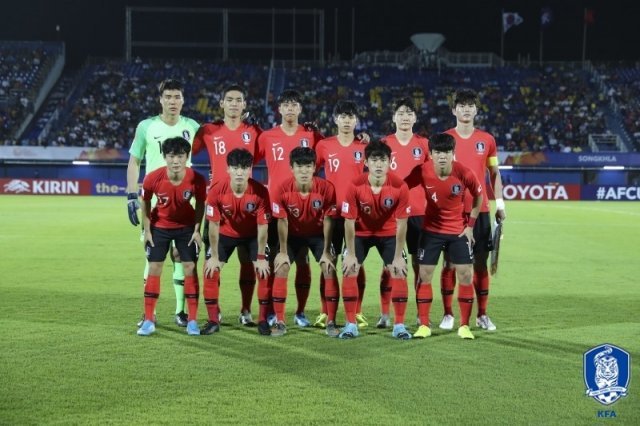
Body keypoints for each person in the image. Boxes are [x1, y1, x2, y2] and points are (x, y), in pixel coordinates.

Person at [126, 79, 200, 327]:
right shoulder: (146, 126)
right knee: (153, 259)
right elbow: (134, 161)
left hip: (183, 202)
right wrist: (130, 196)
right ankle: (150, 313)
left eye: (176, 96)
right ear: (160, 99)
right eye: (167, 96)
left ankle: (180, 312)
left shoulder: (192, 126)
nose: (172, 101)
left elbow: (219, 144)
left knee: (181, 255)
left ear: (183, 99)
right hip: (153, 202)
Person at [193, 84, 262, 327]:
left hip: (248, 207)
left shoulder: (254, 132)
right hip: (217, 206)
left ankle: (246, 310)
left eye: (238, 100)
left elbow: (270, 154)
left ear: (244, 105)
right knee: (212, 264)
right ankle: (215, 312)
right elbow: (187, 150)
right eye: (229, 99)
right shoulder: (208, 130)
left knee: (249, 262)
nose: (234, 103)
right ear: (221, 103)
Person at [438, 89, 506, 332]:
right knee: (449, 263)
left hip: (480, 211)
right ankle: (448, 314)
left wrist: (500, 204)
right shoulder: (444, 139)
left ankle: (482, 315)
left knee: (479, 263)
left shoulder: (487, 140)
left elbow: (494, 174)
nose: (466, 109)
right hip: (450, 212)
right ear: (454, 110)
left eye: (470, 105)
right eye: (461, 105)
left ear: (476, 110)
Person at [256, 89, 325, 328]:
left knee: (303, 262)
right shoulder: (266, 136)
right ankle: (273, 312)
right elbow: (249, 160)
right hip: (276, 209)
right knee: (277, 261)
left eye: (294, 104)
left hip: (306, 209)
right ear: (279, 109)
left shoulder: (311, 135)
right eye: (286, 104)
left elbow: (326, 156)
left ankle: (301, 312)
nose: (290, 108)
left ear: (299, 109)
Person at [404, 133, 482, 340]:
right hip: (431, 232)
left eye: (446, 152)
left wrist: (470, 226)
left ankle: (464, 326)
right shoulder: (422, 171)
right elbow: (403, 187)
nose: (442, 156)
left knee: (465, 274)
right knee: (424, 275)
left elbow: (479, 195)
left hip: (458, 231)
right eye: (437, 152)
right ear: (430, 154)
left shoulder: (464, 172)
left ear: (453, 154)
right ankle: (423, 325)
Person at [340, 141, 412, 340]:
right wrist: (351, 254)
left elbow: (402, 224)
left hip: (388, 234)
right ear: (366, 162)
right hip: (360, 234)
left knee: (399, 269)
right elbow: (349, 222)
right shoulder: (355, 185)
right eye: (374, 160)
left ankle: (399, 326)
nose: (379, 165)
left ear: (390, 162)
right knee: (349, 268)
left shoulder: (400, 186)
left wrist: (398, 256)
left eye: (383, 160)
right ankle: (350, 324)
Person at [136, 137, 206, 336]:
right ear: (165, 157)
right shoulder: (152, 178)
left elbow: (201, 204)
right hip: (160, 227)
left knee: (190, 268)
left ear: (187, 157)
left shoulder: (197, 179)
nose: (176, 161)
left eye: (180, 156)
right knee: (154, 267)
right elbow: (146, 202)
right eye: (172, 156)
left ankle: (192, 321)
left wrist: (197, 230)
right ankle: (149, 320)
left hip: (186, 228)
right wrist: (147, 229)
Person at [271, 147, 339, 337]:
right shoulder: (282, 189)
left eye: (308, 166)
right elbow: (282, 221)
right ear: (291, 168)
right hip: (292, 235)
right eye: (299, 166)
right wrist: (283, 251)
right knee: (282, 266)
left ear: (314, 167)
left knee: (329, 267)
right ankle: (280, 321)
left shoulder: (326, 188)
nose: (303, 171)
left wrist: (326, 250)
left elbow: (328, 220)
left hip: (317, 235)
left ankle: (331, 322)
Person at [202, 148, 272, 335]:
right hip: (225, 234)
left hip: (252, 236)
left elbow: (263, 227)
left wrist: (260, 256)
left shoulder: (260, 192)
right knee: (210, 270)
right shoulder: (216, 191)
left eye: (244, 168)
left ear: (250, 170)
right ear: (228, 169)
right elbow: (213, 226)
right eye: (235, 168)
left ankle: (260, 318)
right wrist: (215, 256)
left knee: (263, 270)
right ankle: (213, 319)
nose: (239, 172)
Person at [376, 98, 430, 329]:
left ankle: (420, 315)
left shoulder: (426, 145)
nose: (405, 117)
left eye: (409, 113)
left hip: (420, 213)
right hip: (391, 213)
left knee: (421, 266)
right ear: (394, 118)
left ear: (415, 118)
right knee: (389, 267)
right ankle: (385, 315)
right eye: (401, 113)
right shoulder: (384, 143)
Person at [314, 100, 368, 328]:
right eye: (342, 117)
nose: (346, 121)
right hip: (331, 213)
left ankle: (357, 311)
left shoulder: (364, 147)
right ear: (335, 120)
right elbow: (310, 172)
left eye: (350, 117)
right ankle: (326, 312)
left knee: (356, 263)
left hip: (356, 215)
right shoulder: (324, 146)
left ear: (356, 121)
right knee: (328, 261)